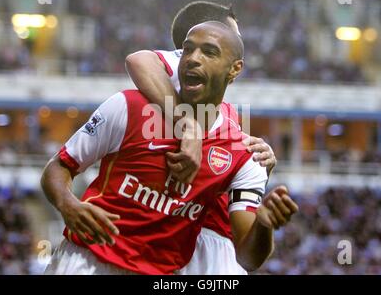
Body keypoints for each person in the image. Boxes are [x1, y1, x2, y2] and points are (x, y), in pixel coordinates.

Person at [42, 21, 298, 275]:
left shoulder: (244, 154)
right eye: (188, 50)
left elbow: (248, 258)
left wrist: (264, 224)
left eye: (209, 52)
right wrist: (68, 204)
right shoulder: (128, 106)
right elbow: (60, 166)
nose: (193, 59)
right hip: (86, 261)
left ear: (235, 69)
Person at [126, 1, 277, 274]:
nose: (240, 41)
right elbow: (139, 60)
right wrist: (187, 123)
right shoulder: (183, 68)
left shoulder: (221, 107)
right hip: (198, 238)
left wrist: (257, 157)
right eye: (235, 33)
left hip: (214, 238)